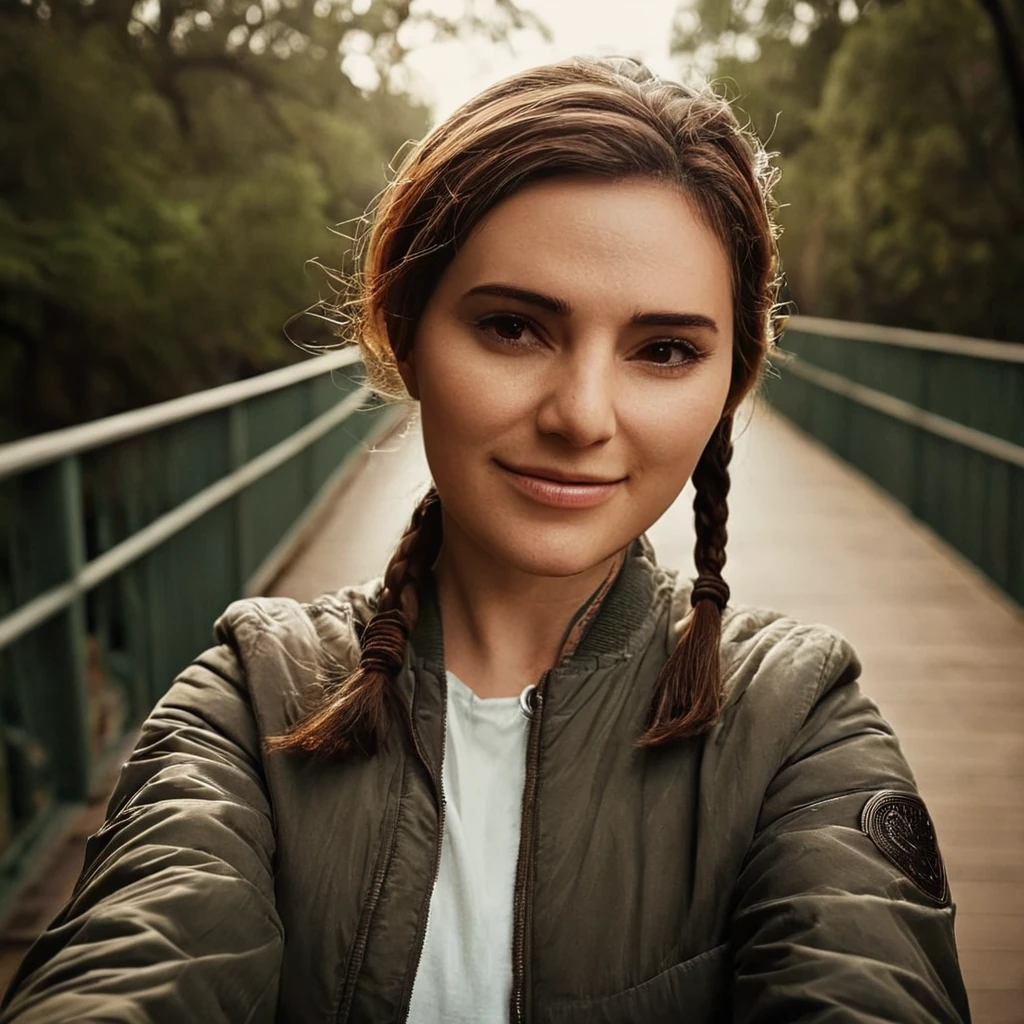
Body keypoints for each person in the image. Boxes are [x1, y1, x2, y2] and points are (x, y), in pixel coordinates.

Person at [0, 57, 970, 1024]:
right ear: (401, 329)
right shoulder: (254, 697)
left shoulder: (796, 724)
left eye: (664, 350)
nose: (582, 416)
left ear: (730, 383)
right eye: (512, 327)